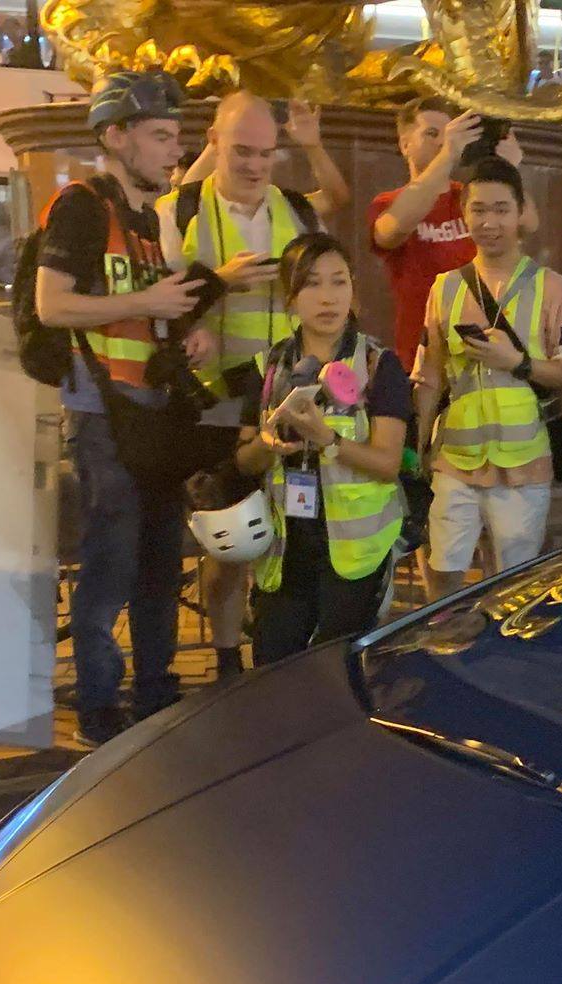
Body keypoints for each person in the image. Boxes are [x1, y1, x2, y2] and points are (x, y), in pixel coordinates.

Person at [35, 70, 209, 747]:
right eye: (161, 136)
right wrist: (147, 302)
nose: (174, 150)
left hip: (154, 411)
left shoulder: (149, 220)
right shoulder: (81, 206)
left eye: (175, 137)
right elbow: (53, 306)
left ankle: (156, 690)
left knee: (161, 560)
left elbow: (146, 310)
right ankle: (99, 705)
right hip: (103, 411)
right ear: (115, 136)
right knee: (110, 561)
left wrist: (181, 331)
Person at [160, 92, 346, 679]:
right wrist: (214, 287)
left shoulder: (296, 210)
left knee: (295, 527)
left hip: (288, 395)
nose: (255, 165)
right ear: (214, 141)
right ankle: (225, 661)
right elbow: (156, 306)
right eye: (242, 150)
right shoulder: (178, 210)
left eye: (266, 153)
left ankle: (280, 650)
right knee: (231, 538)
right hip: (214, 403)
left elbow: (336, 222)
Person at [415, 155, 562, 599]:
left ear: (521, 212)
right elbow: (429, 376)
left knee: (513, 584)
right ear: (463, 214)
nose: (489, 223)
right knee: (443, 572)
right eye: (478, 210)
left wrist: (519, 363)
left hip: (524, 462)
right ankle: (444, 638)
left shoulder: (553, 288)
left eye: (501, 209)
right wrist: (416, 451)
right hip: (455, 459)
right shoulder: (445, 288)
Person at [233, 233, 409, 660]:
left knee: (338, 667)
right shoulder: (268, 367)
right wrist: (268, 444)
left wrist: (327, 439)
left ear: (353, 289)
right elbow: (244, 461)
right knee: (273, 663)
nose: (328, 297)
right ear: (290, 297)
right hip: (285, 549)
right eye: (311, 283)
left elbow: (388, 463)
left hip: (355, 553)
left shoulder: (377, 365)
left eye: (339, 281)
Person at [370, 101, 539, 374]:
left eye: (449, 133)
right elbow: (390, 231)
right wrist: (448, 154)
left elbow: (528, 223)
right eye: (431, 134)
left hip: (484, 356)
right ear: (405, 144)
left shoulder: (471, 198)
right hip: (422, 360)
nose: (442, 142)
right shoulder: (389, 202)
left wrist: (509, 169)